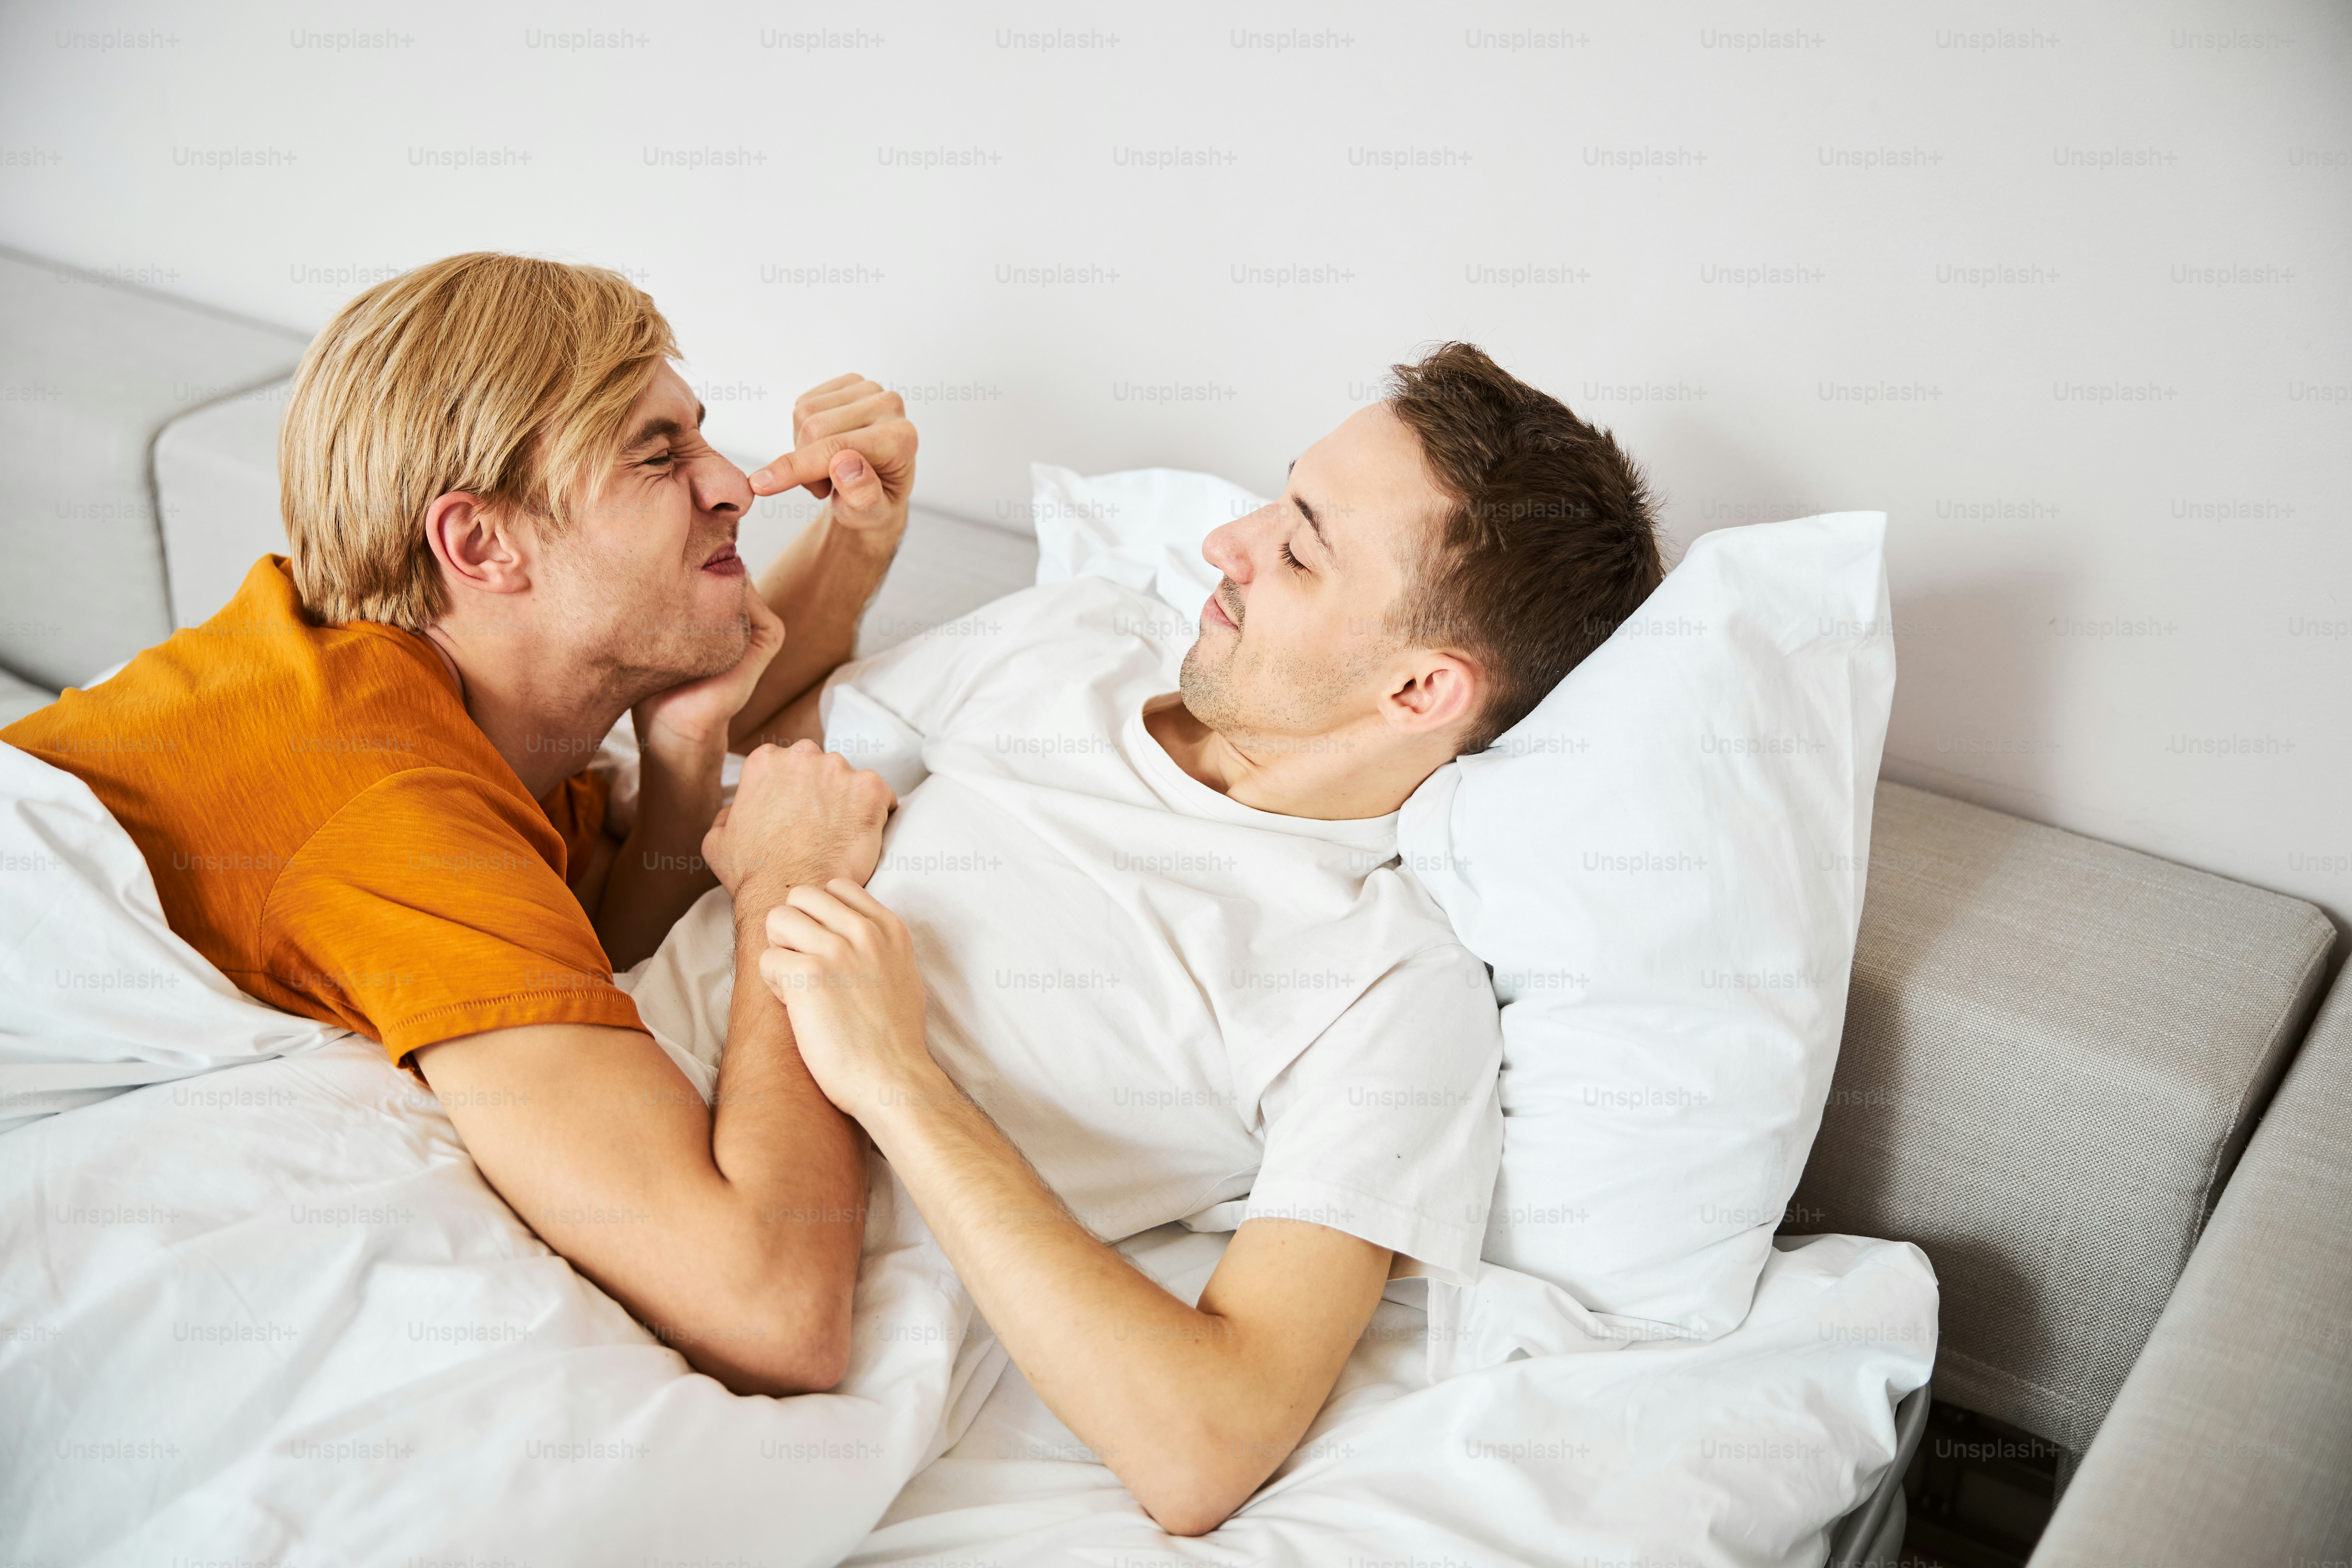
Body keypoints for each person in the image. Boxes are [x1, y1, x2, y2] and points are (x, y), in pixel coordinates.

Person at [723, 343, 1665, 1533]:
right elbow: (748, 742)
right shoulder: (1080, 637)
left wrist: (900, 1082)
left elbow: (1203, 1447)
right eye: (1278, 497)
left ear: (1421, 694)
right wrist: (857, 546)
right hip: (552, 1073)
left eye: (1300, 548)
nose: (1228, 543)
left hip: (737, 1291)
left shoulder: (1382, 987)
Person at [1, 253, 906, 1396]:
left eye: (703, 437)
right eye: (657, 455)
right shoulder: (383, 798)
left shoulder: (430, 690)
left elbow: (597, 936)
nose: (732, 484)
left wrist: (690, 751)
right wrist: (789, 893)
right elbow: (767, 1310)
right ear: (480, 546)